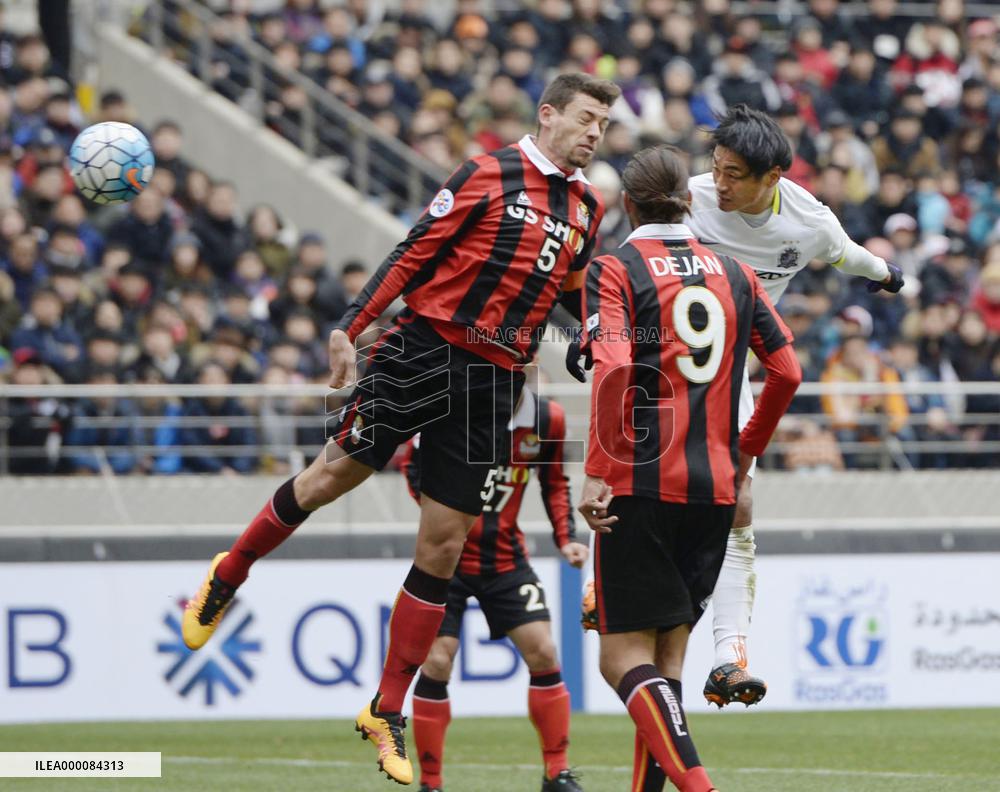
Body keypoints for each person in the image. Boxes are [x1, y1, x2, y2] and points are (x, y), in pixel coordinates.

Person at [180, 72, 619, 786]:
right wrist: (349, 327)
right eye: (586, 118)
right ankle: (228, 574)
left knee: (443, 547)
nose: (596, 134)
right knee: (332, 475)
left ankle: (385, 708)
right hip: (426, 351)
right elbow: (416, 250)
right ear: (548, 116)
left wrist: (591, 331)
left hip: (497, 383)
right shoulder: (486, 173)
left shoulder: (587, 206)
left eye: (604, 123)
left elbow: (569, 289)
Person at [576, 104, 904, 709]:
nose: (718, 184)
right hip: (655, 358)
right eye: (716, 169)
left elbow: (848, 255)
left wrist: (886, 274)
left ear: (772, 178)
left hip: (726, 368)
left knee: (740, 498)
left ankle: (731, 658)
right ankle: (604, 586)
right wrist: (591, 331)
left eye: (733, 175)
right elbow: (632, 264)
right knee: (629, 470)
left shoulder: (809, 222)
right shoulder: (690, 199)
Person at [578, 145, 801, 792]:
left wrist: (599, 468)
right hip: (716, 491)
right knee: (666, 670)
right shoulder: (734, 271)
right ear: (690, 199)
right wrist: (746, 448)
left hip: (641, 483)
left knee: (620, 658)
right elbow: (787, 371)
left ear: (628, 203)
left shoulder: (615, 267)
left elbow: (616, 366)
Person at [403, 388, 587, 792]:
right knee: (436, 662)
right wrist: (443, 521)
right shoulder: (451, 409)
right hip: (444, 561)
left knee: (544, 651)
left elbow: (555, 482)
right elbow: (411, 467)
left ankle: (557, 773)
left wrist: (566, 538)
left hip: (505, 560)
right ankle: (431, 783)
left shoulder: (546, 420)